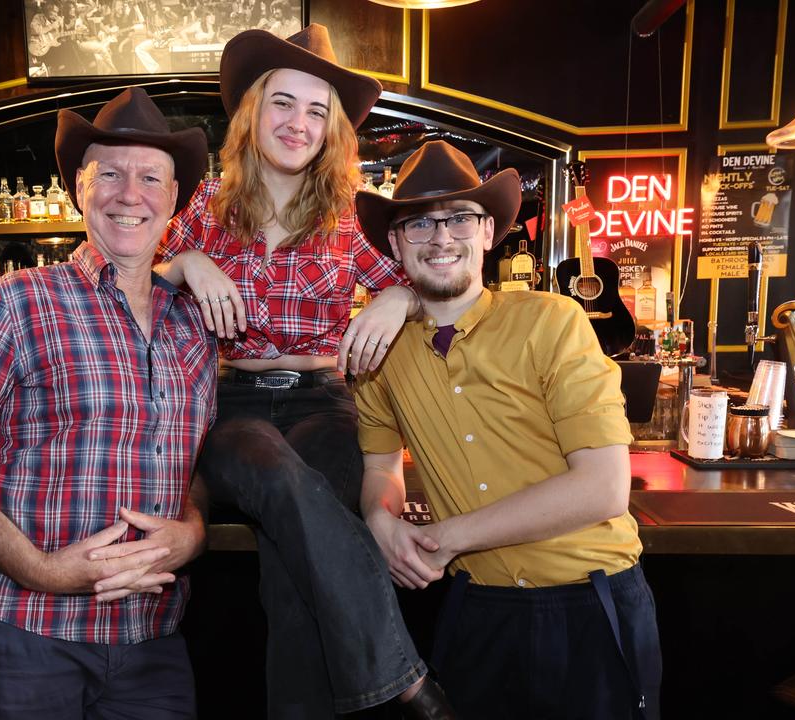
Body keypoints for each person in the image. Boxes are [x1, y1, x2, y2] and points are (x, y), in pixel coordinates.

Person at [158, 24, 453, 720]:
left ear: (333, 130)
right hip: (229, 403)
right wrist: (187, 264)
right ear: (252, 113)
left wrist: (396, 295)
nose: (299, 123)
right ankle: (403, 673)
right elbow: (133, 286)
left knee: (295, 567)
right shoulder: (205, 208)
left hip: (325, 400)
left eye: (317, 111)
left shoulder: (349, 215)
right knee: (286, 479)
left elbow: (431, 287)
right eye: (283, 103)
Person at [0, 88, 216, 719]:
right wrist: (40, 569)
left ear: (173, 200)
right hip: (21, 631)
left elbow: (190, 462)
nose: (131, 194)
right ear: (77, 190)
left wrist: (194, 533)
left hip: (151, 644)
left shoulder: (193, 326)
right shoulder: (19, 300)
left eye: (151, 177)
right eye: (110, 174)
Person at [353, 140, 664, 719]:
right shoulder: (379, 351)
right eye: (419, 224)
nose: (441, 238)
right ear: (395, 243)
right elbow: (380, 466)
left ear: (489, 231)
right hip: (477, 611)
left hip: (589, 604)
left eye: (460, 219)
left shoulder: (552, 321)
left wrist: (446, 539)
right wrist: (379, 517)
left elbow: (602, 488)